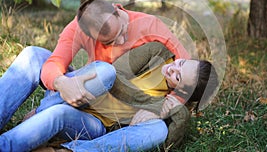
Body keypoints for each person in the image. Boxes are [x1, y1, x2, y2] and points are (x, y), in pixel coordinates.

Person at [0, 42, 219, 152]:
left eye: (178, 77)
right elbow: (117, 76)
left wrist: (170, 108)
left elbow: (168, 142)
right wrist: (150, 106)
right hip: (81, 89)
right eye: (180, 63)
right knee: (34, 55)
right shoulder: (158, 52)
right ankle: (37, 112)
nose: (173, 69)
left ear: (182, 91)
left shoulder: (170, 104)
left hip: (90, 123)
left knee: (159, 130)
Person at [40, 0, 191, 108]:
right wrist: (62, 83)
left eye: (121, 31)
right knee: (33, 55)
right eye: (108, 42)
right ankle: (45, 111)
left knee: (106, 71)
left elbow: (188, 68)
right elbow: (55, 63)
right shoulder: (80, 28)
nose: (119, 42)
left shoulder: (150, 25)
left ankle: (43, 112)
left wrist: (167, 105)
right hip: (92, 89)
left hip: (127, 98)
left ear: (117, 10)